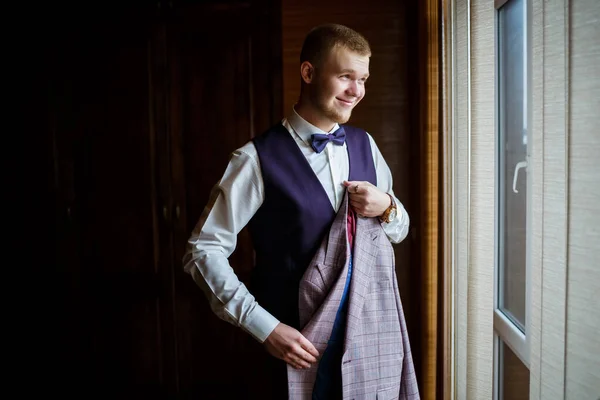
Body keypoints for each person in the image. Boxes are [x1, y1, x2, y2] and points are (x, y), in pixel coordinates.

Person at [182, 23, 410, 397]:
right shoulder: (254, 158)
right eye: (345, 77)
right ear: (308, 73)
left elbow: (398, 231)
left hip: (369, 340)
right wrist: (265, 327)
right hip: (295, 345)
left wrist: (387, 207)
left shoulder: (366, 144)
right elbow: (202, 250)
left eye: (363, 79)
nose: (357, 91)